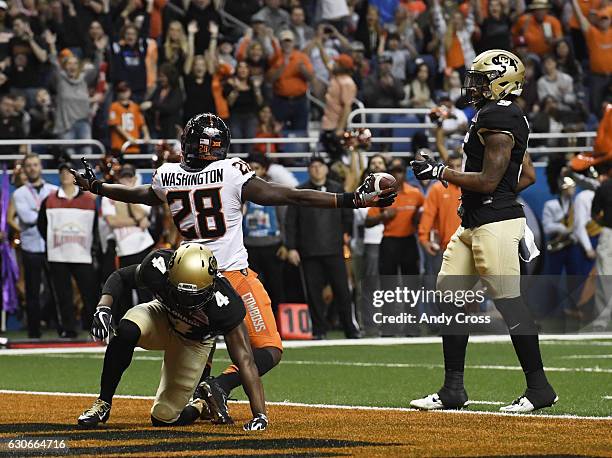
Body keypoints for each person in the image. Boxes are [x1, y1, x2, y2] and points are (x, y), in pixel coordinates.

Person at [70, 112, 396, 426]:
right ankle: (218, 388)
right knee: (266, 350)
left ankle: (195, 392)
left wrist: (98, 187)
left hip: (184, 275)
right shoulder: (230, 171)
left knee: (193, 338)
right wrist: (351, 199)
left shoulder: (168, 174)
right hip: (230, 275)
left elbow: (142, 194)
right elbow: (289, 196)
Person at [409, 49, 555, 413]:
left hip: (496, 225)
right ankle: (453, 389)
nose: (472, 85)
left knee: (509, 303)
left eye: (480, 78)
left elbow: (490, 180)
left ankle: (540, 389)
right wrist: (487, 197)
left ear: (501, 81)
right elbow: (527, 175)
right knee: (450, 299)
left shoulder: (500, 115)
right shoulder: (497, 115)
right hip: (476, 222)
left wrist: (440, 173)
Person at [77, 244, 268, 431]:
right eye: (180, 292)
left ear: (210, 287)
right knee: (127, 330)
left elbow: (245, 360)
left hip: (194, 341)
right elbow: (120, 276)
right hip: (163, 316)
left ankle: (201, 403)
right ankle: (103, 403)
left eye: (193, 296)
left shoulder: (225, 303)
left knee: (164, 417)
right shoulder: (158, 265)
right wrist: (103, 308)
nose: (185, 301)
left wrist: (260, 414)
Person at [285, 156, 360, 339]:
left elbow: (347, 214)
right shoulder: (300, 191)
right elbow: (290, 222)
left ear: (326, 169)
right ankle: (319, 330)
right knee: (313, 294)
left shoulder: (336, 189)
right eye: (313, 166)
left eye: (320, 166)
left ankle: (350, 328)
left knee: (343, 291)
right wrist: (292, 247)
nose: (317, 169)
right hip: (309, 251)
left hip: (334, 249)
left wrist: (347, 234)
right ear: (309, 170)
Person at [37, 161, 99, 337]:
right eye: (62, 173)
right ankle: (68, 328)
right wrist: (53, 242)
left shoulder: (88, 200)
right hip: (58, 255)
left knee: (89, 293)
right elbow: (42, 225)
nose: (66, 176)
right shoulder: (49, 200)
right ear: (59, 176)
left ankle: (93, 327)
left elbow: (93, 227)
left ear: (75, 176)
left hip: (83, 254)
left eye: (69, 172)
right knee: (62, 295)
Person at [11, 153, 57, 338]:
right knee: (32, 291)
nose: (32, 168)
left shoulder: (53, 190)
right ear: (24, 169)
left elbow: (53, 216)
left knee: (55, 289)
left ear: (41, 167)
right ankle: (34, 330)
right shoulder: (19, 193)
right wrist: (45, 214)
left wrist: (38, 212)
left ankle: (57, 325)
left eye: (35, 164)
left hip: (52, 246)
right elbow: (26, 218)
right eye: (28, 165)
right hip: (31, 247)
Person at [101, 164, 154, 306]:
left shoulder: (143, 192)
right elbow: (113, 221)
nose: (127, 181)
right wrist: (137, 221)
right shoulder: (109, 195)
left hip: (143, 246)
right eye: (124, 178)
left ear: (135, 178)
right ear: (119, 179)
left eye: (129, 178)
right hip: (123, 249)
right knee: (125, 291)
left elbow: (142, 214)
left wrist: (129, 195)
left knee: (146, 290)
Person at [366, 158, 424, 276]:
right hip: (389, 242)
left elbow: (424, 214)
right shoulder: (382, 195)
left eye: (399, 171)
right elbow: (368, 222)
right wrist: (384, 215)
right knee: (387, 282)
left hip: (409, 241)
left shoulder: (415, 193)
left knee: (412, 281)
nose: (396, 174)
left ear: (405, 173)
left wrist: (418, 218)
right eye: (393, 171)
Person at [570, 0, 612, 117]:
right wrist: (574, 3)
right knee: (596, 107)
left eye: (606, 18)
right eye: (601, 19)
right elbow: (581, 20)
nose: (604, 21)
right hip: (597, 76)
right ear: (597, 21)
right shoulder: (592, 33)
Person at [267, 29, 314, 132]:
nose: (287, 44)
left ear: (293, 42)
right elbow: (270, 79)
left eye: (289, 41)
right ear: (280, 43)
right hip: (280, 100)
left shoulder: (301, 57)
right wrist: (281, 67)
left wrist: (303, 70)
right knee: (278, 130)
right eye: (284, 41)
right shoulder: (275, 57)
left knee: (300, 130)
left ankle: (301, 148)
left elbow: (310, 77)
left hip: (299, 100)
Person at [320, 54, 357, 161]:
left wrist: (340, 129)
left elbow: (347, 107)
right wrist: (319, 45)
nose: (334, 64)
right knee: (329, 157)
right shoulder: (336, 76)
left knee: (338, 159)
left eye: (337, 63)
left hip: (335, 126)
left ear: (342, 66)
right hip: (327, 124)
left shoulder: (347, 83)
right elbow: (327, 63)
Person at [591, 163, 612, 331]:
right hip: (608, 233)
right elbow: (595, 213)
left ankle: (601, 321)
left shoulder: (604, 186)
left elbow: (595, 214)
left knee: (605, 278)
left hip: (608, 232)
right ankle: (601, 321)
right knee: (605, 278)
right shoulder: (604, 187)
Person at [108, 82, 150, 155]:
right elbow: (116, 125)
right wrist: (128, 137)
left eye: (125, 90)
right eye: (121, 91)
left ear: (129, 91)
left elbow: (142, 123)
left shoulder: (135, 107)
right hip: (119, 146)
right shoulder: (113, 107)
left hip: (134, 146)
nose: (123, 93)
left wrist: (146, 135)